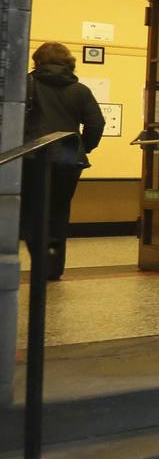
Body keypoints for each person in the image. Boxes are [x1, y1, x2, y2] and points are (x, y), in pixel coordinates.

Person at [22, 41, 105, 281]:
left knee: (31, 212)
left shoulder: (28, 85)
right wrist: (81, 147)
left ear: (38, 61)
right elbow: (96, 124)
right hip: (69, 160)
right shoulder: (80, 90)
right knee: (59, 211)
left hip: (32, 157)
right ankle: (54, 267)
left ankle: (39, 262)